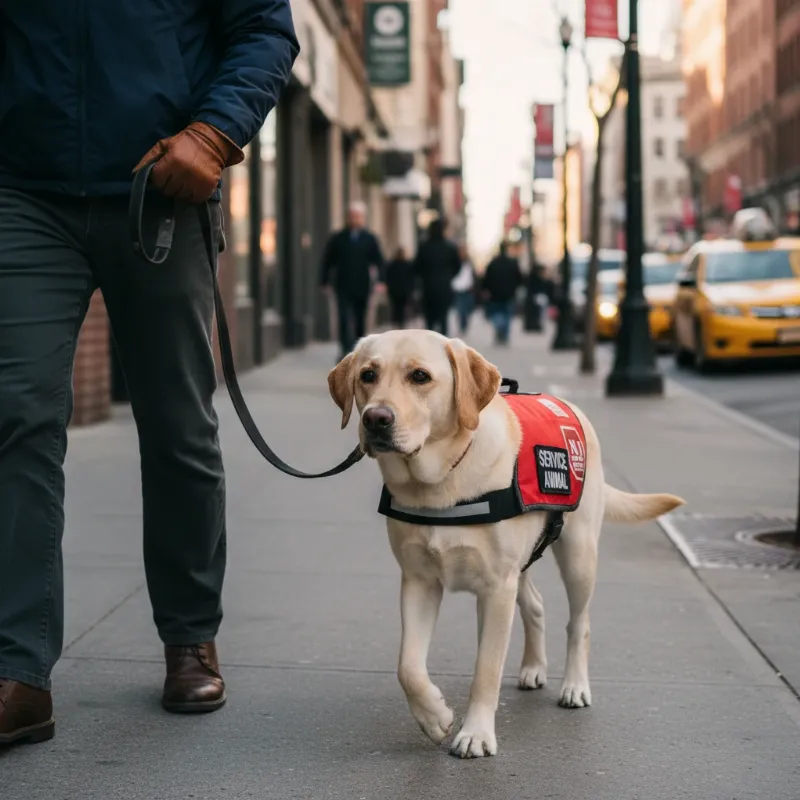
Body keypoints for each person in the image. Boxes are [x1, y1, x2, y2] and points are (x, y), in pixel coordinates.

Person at [0, 2, 299, 746]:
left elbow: (263, 28)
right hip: (23, 192)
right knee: (16, 415)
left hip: (162, 182)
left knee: (178, 426)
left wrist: (214, 133)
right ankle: (18, 672)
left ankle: (190, 635)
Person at [321, 202, 385, 358]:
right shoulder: (338, 238)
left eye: (358, 216)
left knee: (360, 318)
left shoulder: (369, 238)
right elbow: (327, 261)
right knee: (343, 317)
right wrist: (324, 281)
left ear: (363, 218)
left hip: (362, 285)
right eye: (352, 216)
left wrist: (381, 281)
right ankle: (344, 349)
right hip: (342, 284)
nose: (354, 219)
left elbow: (379, 261)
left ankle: (358, 350)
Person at [413, 218, 461, 336]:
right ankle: (442, 342)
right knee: (443, 317)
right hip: (444, 287)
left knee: (429, 318)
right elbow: (457, 266)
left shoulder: (424, 247)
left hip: (428, 287)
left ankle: (431, 341)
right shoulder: (450, 247)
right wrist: (449, 276)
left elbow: (416, 267)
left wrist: (424, 277)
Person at [482, 242, 523, 345]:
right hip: (509, 293)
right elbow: (519, 278)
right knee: (507, 315)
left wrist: (486, 289)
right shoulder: (513, 263)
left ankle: (499, 327)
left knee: (496, 314)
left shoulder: (493, 263)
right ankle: (504, 335)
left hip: (495, 294)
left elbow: (486, 279)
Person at [384, 246, 416, 329]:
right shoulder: (407, 265)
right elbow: (411, 278)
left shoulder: (392, 265)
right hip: (404, 290)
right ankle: (401, 322)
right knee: (402, 307)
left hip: (395, 290)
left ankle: (397, 322)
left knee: (396, 307)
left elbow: (388, 277)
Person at [451, 244, 477, 335]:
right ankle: (462, 325)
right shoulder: (455, 261)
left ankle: (464, 324)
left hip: (467, 288)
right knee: (460, 309)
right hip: (457, 288)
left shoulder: (469, 262)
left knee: (467, 309)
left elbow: (473, 275)